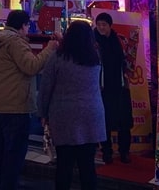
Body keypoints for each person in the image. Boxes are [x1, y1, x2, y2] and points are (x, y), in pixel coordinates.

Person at [0, 9, 59, 190]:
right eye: (28, 26)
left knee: (1, 153)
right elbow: (31, 66)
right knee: (14, 154)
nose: (28, 30)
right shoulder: (15, 42)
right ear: (22, 26)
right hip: (14, 106)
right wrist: (50, 49)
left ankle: (0, 185)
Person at [39, 20, 107, 190]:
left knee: (64, 165)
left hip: (64, 115)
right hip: (91, 115)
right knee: (88, 166)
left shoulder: (58, 57)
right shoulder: (95, 58)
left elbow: (45, 87)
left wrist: (43, 113)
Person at [93, 12, 133, 164]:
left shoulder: (120, 39)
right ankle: (107, 152)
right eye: (99, 24)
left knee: (124, 121)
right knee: (104, 122)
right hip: (101, 87)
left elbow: (128, 60)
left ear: (110, 25)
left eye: (104, 24)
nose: (101, 27)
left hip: (120, 85)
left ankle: (124, 152)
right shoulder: (92, 41)